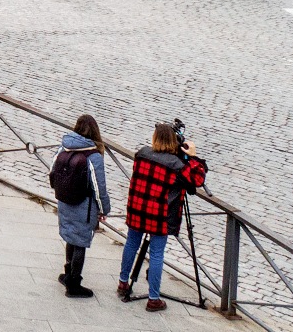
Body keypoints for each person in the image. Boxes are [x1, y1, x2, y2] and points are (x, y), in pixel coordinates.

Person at [117, 123, 207, 312]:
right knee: (157, 254)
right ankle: (153, 299)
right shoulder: (176, 165)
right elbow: (197, 180)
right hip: (159, 214)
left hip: (137, 208)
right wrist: (193, 156)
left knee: (131, 243)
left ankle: (123, 283)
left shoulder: (141, 154)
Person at [54, 114, 112, 299]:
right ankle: (74, 284)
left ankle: (67, 273)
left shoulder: (65, 146)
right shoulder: (93, 155)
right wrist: (104, 209)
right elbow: (99, 187)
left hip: (65, 201)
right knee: (80, 242)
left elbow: (52, 171)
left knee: (71, 237)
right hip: (84, 205)